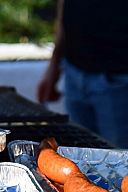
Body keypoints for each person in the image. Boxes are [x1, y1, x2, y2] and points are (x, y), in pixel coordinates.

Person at [37, 0, 128, 149]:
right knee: (81, 153)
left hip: (118, 79)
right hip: (74, 69)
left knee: (121, 162)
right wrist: (53, 66)